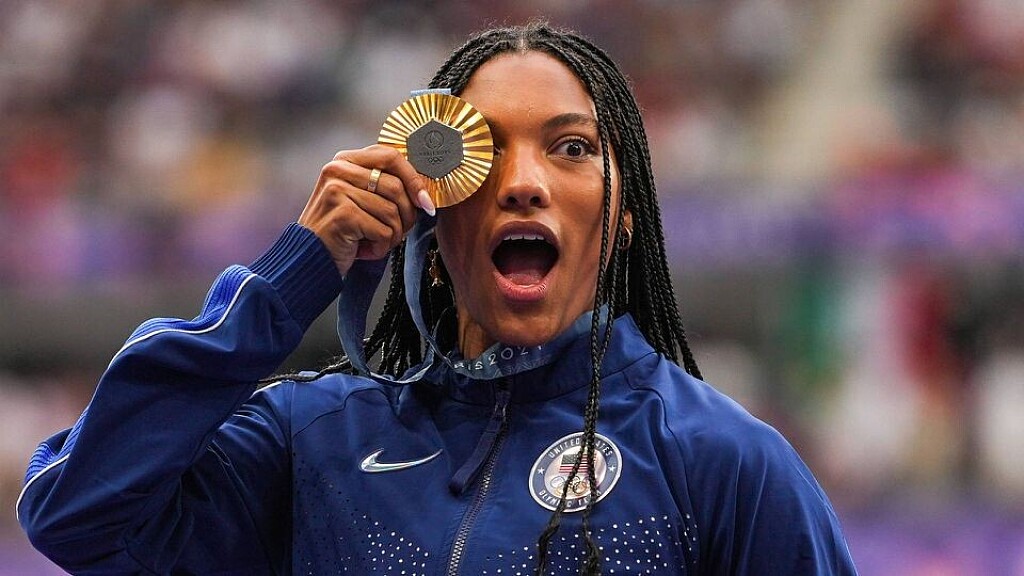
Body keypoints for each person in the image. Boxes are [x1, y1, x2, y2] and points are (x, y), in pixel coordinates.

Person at [18, 23, 857, 575]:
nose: (524, 183)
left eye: (570, 148)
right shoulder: (314, 443)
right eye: (484, 150)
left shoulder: (721, 462)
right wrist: (288, 282)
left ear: (623, 216)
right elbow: (76, 515)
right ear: (431, 204)